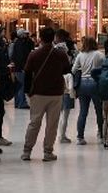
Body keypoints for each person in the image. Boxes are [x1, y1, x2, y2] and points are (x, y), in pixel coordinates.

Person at [21, 27, 71, 162]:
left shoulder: (34, 54)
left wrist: (27, 91)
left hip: (38, 93)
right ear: (53, 37)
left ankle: (27, 151)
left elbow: (27, 74)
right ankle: (48, 151)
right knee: (52, 124)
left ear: (40, 38)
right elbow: (67, 70)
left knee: (34, 122)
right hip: (55, 93)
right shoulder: (60, 54)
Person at [71, 37, 105, 144]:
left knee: (83, 111)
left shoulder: (80, 55)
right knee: (99, 110)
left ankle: (80, 137)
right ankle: (101, 133)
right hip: (95, 83)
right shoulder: (99, 54)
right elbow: (105, 68)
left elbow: (73, 69)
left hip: (82, 84)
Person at [9, 29, 34, 109]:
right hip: (20, 67)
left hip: (17, 67)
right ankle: (21, 103)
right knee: (21, 85)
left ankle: (17, 102)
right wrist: (24, 66)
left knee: (18, 85)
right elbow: (21, 56)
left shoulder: (17, 42)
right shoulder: (21, 43)